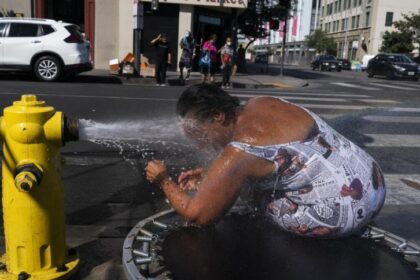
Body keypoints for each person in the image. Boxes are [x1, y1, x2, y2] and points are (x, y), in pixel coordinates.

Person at [145, 84, 386, 238]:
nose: (201, 144)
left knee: (249, 189)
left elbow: (198, 216)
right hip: (373, 181)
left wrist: (164, 180)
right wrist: (211, 175)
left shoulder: (239, 153)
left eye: (201, 135)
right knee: (243, 177)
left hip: (346, 214)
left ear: (218, 116)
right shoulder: (261, 101)